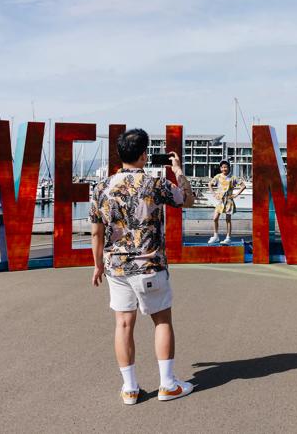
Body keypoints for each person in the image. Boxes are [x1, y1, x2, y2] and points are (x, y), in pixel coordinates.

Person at [89, 128, 195, 405]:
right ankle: (167, 384)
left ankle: (130, 388)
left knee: (123, 325)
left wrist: (97, 264)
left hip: (117, 268)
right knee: (161, 320)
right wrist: (178, 171)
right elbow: (187, 199)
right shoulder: (153, 184)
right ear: (144, 154)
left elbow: (96, 232)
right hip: (150, 265)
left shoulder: (101, 188)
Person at [207, 160, 246, 245]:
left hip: (229, 200)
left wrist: (236, 195)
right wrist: (214, 194)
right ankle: (216, 236)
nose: (224, 169)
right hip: (220, 201)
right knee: (215, 218)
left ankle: (228, 238)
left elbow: (243, 186)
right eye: (222, 167)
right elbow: (209, 184)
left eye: (226, 167)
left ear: (228, 168)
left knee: (228, 220)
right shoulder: (218, 176)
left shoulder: (233, 177)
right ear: (220, 168)